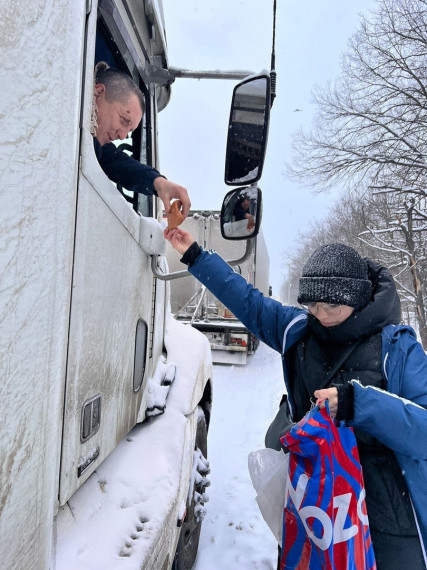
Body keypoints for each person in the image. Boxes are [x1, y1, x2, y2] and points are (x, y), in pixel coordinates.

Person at [164, 229, 427, 570]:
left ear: (358, 299)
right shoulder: (299, 330)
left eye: (331, 305)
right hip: (313, 504)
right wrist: (195, 255)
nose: (321, 314)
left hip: (385, 516)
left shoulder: (397, 348)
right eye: (313, 304)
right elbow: (248, 301)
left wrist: (357, 404)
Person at [92, 62, 190, 218]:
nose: (122, 136)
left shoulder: (95, 148)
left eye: (129, 132)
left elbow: (119, 164)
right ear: (98, 93)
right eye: (124, 119)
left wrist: (157, 182)